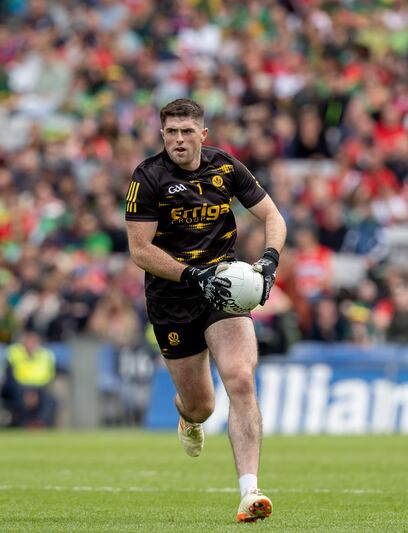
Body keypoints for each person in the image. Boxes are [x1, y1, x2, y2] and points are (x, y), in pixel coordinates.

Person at [125, 98, 286, 523]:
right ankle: (188, 418)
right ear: (162, 135)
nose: (178, 139)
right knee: (201, 406)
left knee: (241, 378)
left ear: (203, 134)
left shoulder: (227, 168)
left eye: (186, 131)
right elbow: (140, 251)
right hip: (172, 298)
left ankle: (249, 492)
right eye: (171, 132)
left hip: (223, 289)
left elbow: (273, 217)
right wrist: (192, 276)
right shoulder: (148, 177)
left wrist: (269, 260)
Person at [1, 328, 58, 428]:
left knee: (50, 399)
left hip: (40, 387)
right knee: (20, 397)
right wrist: (27, 391)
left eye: (34, 342)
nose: (31, 345)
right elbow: (9, 377)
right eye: (29, 341)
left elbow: (49, 377)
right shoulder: (14, 352)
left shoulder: (46, 355)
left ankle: (40, 423)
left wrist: (34, 392)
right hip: (19, 387)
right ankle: (25, 423)